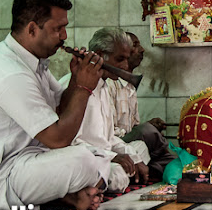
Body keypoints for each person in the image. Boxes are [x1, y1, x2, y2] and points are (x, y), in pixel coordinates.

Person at [0, 0, 110, 210]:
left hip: (31, 161)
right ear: (32, 29)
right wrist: (83, 87)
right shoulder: (11, 73)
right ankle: (67, 197)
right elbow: (59, 139)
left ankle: (70, 197)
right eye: (58, 29)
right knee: (84, 161)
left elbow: (61, 110)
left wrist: (75, 81)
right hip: (4, 180)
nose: (64, 36)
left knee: (99, 155)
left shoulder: (32, 62)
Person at [60, 28, 151, 192]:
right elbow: (70, 142)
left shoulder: (104, 87)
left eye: (126, 59)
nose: (125, 66)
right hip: (86, 158)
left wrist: (133, 158)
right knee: (116, 175)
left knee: (140, 150)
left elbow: (109, 138)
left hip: (104, 156)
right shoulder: (72, 88)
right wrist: (112, 157)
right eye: (120, 59)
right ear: (99, 55)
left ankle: (123, 173)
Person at [108, 31, 175, 178]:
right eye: (136, 45)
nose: (142, 50)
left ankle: (150, 171)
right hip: (110, 144)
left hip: (125, 143)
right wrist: (145, 131)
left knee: (148, 140)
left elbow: (132, 127)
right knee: (148, 134)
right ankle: (172, 164)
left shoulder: (130, 85)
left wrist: (147, 127)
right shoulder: (108, 83)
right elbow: (109, 134)